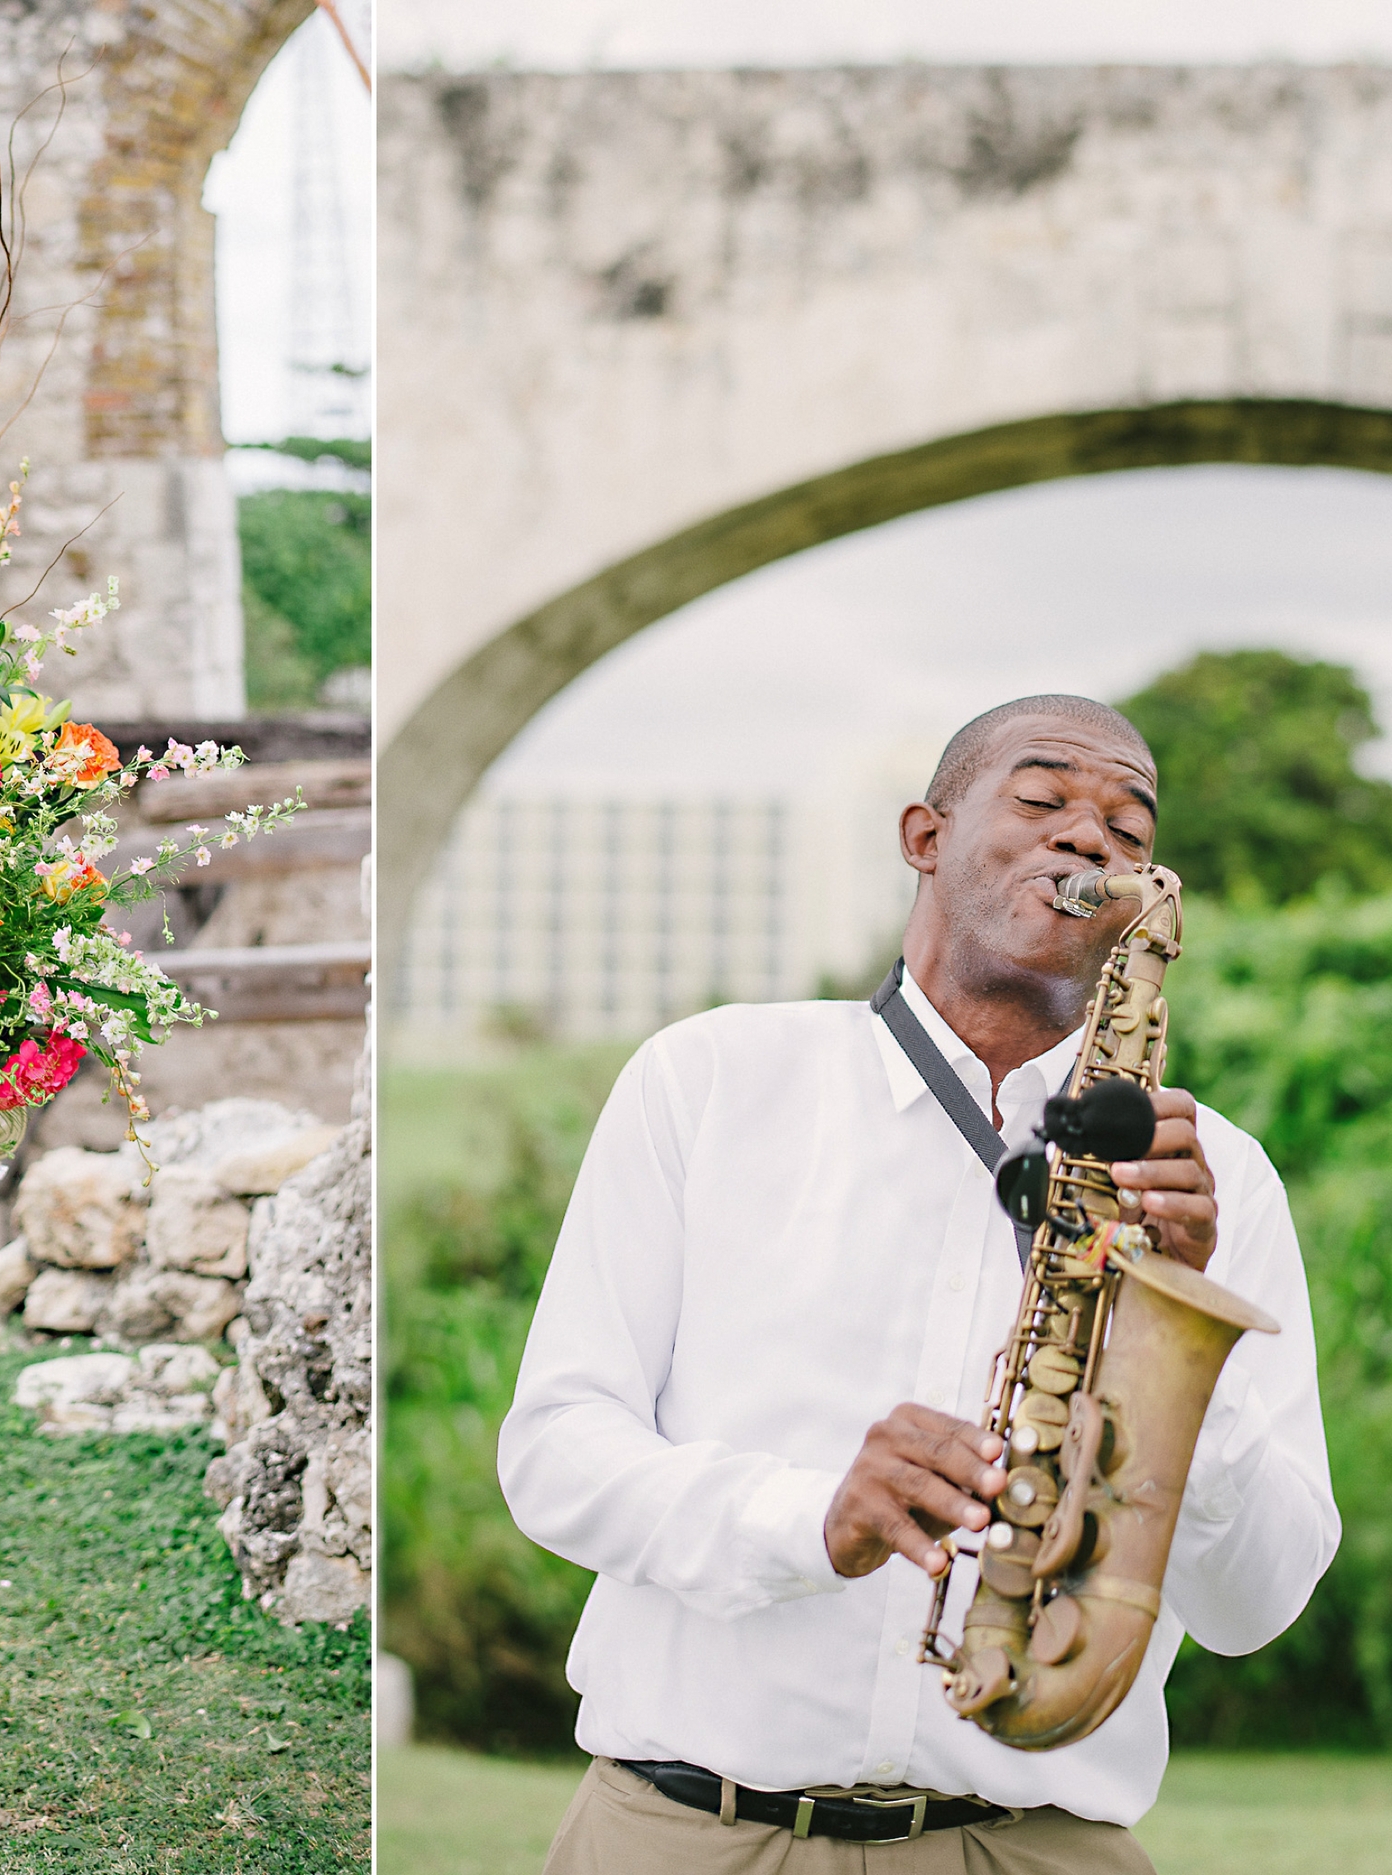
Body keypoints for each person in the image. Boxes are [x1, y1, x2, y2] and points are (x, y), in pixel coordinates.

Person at [499, 695, 1338, 1873]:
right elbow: (554, 1455)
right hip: (687, 1832)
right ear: (923, 837)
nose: (1089, 841)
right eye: (1042, 801)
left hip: (1035, 1847)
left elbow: (1261, 1606)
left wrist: (1168, 1330)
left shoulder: (1212, 1178)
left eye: (1128, 830)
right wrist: (810, 1519)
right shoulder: (709, 1080)